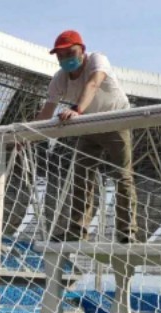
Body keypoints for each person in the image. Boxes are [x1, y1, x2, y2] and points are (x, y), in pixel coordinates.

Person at [35, 29, 137, 243]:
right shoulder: (60, 79)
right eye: (60, 56)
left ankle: (127, 231)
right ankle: (78, 229)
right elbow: (47, 111)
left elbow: (93, 83)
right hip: (89, 125)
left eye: (70, 53)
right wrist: (26, 136)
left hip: (116, 119)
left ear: (82, 50)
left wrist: (76, 109)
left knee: (122, 175)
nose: (65, 59)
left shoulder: (97, 60)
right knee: (81, 175)